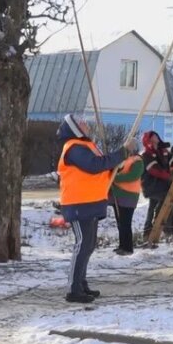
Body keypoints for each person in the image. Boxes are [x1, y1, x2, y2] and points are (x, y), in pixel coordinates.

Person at [56, 114, 136, 303]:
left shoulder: (86, 146)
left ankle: (81, 284)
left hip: (90, 202)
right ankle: (73, 289)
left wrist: (119, 162)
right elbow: (94, 166)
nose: (86, 123)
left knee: (89, 245)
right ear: (75, 128)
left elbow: (102, 167)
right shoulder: (74, 147)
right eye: (81, 122)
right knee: (82, 245)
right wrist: (122, 152)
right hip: (78, 203)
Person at [110, 149, 144, 255]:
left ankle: (128, 248)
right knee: (120, 222)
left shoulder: (137, 161)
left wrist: (114, 178)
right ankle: (122, 245)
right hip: (117, 194)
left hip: (129, 195)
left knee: (125, 222)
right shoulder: (122, 160)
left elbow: (133, 176)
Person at [140, 131, 173, 237]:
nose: (157, 137)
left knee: (152, 206)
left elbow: (172, 160)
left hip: (160, 185)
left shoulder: (163, 151)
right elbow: (154, 170)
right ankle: (156, 222)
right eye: (153, 136)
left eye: (156, 135)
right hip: (151, 185)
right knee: (164, 199)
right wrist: (168, 177)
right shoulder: (146, 154)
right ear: (148, 140)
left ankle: (148, 231)